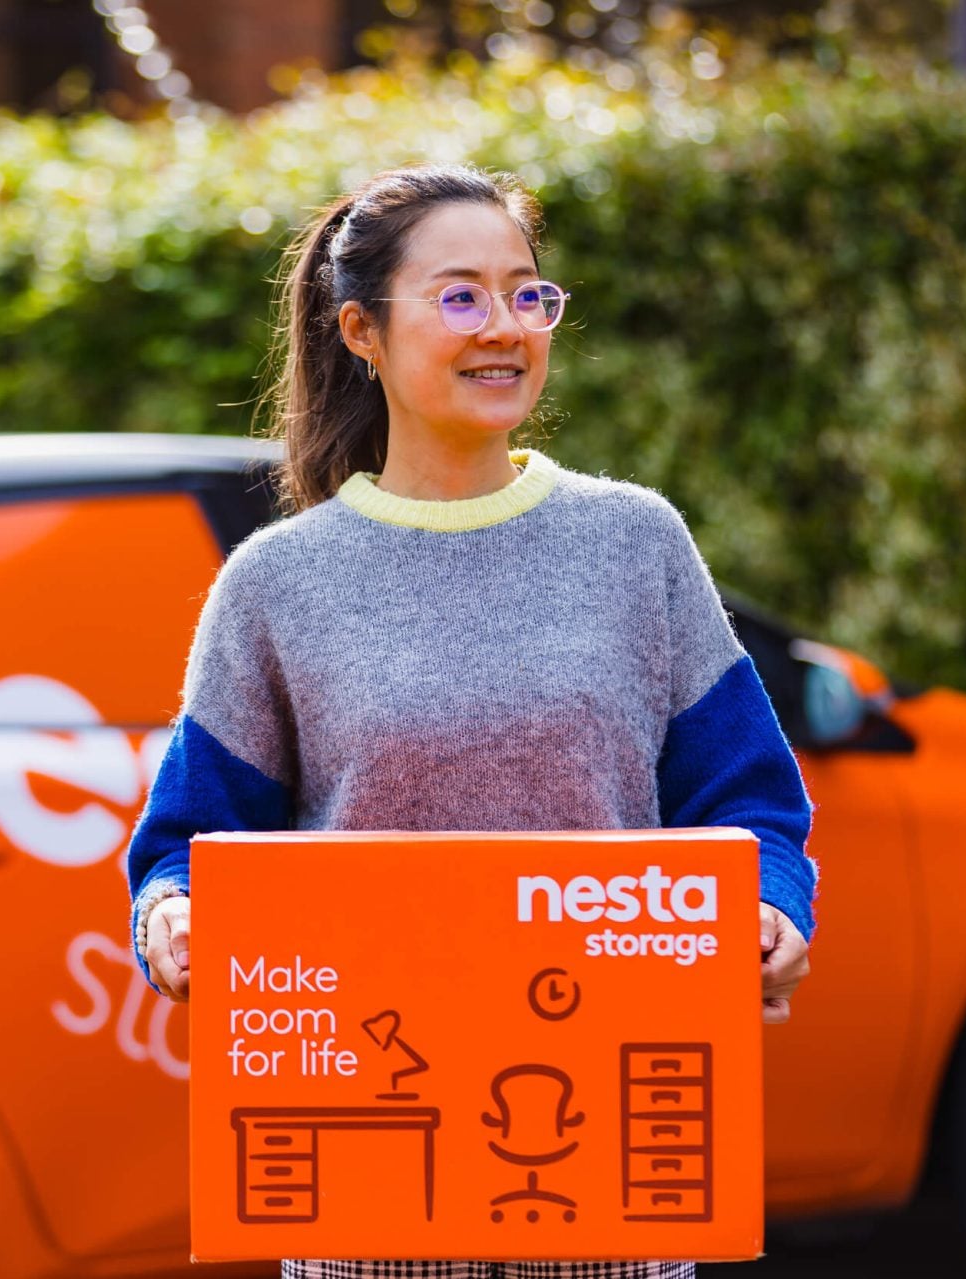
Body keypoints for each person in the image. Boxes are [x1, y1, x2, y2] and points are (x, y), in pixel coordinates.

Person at [125, 163, 816, 1279]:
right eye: (460, 297)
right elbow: (183, 850)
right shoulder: (278, 586)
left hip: (613, 1185)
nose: (504, 327)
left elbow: (750, 805)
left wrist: (772, 910)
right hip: (370, 1190)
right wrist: (174, 922)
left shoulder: (636, 546)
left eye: (526, 294)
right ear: (360, 329)